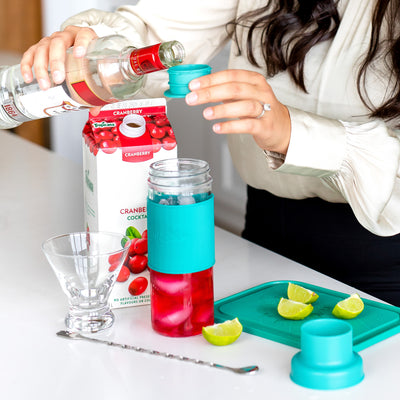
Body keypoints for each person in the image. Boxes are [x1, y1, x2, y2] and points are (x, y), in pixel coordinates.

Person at [21, 0, 400, 305]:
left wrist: (293, 132)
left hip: (386, 258)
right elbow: (154, 34)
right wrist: (91, 43)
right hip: (266, 232)